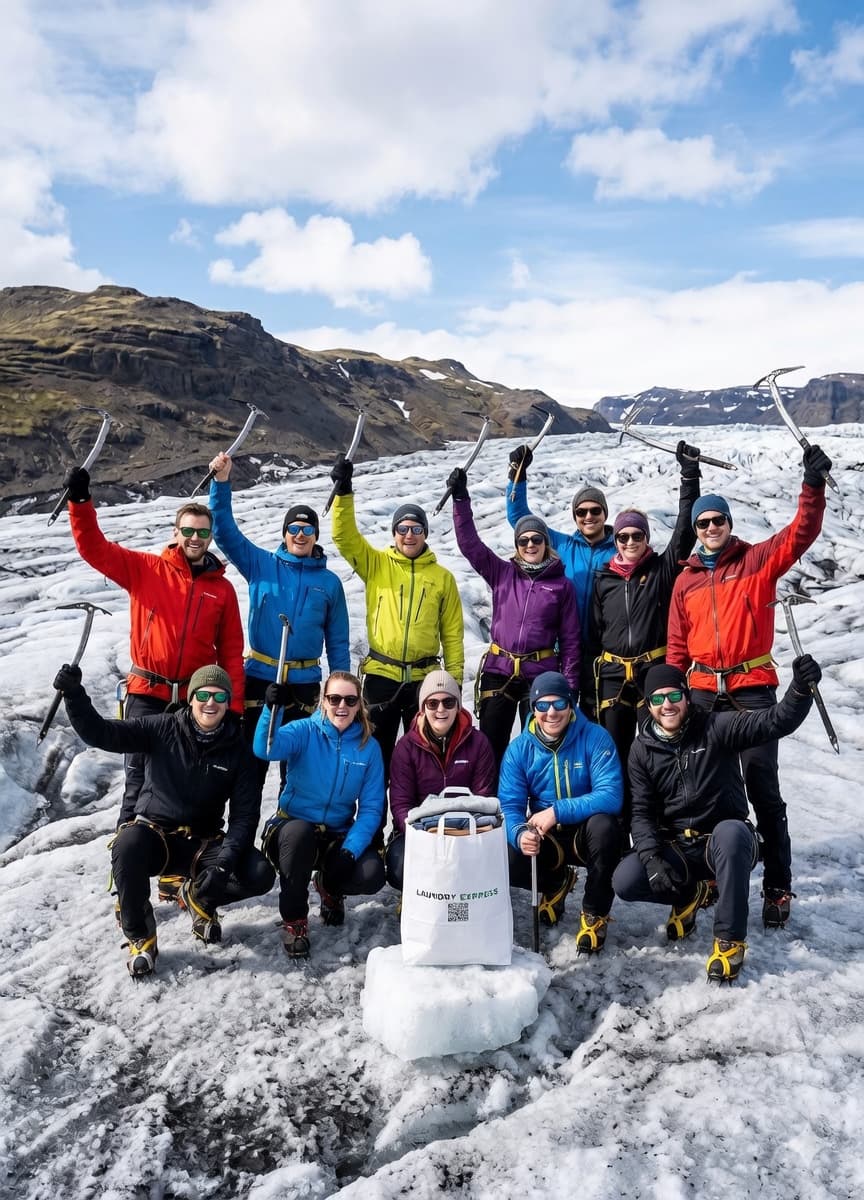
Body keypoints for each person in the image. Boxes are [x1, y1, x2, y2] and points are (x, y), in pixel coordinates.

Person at [666, 442, 833, 929]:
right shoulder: (685, 581)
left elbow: (800, 533)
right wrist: (671, 695)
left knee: (762, 786)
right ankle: (713, 873)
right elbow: (677, 646)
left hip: (751, 687)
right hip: (700, 693)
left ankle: (778, 885)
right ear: (695, 531)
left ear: (729, 524)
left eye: (718, 520)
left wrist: (812, 485)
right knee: (708, 790)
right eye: (703, 523)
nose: (711, 528)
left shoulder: (756, 561)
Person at [51, 662, 275, 977]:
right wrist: (74, 695)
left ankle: (198, 898)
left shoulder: (239, 749)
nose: (211, 702)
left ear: (228, 701)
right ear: (191, 698)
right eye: (203, 694)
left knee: (260, 873)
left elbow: (244, 816)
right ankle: (142, 939)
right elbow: (102, 733)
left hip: (203, 844)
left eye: (219, 696)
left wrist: (223, 865)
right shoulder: (161, 727)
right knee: (127, 845)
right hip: (156, 837)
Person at [612, 657, 820, 982]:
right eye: (657, 699)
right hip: (680, 848)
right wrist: (652, 858)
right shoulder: (642, 750)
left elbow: (772, 722)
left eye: (673, 696)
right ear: (648, 704)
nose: (666, 705)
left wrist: (799, 691)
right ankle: (690, 895)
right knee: (626, 879)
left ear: (686, 695)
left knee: (732, 835)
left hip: (724, 843)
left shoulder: (715, 726)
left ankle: (729, 940)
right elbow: (641, 812)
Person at [63, 466, 245, 830]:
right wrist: (80, 501)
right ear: (176, 533)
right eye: (188, 531)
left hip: (195, 700)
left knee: (190, 778)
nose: (195, 538)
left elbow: (230, 652)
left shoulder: (222, 590)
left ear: (210, 537)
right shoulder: (145, 569)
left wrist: (234, 707)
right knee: (136, 778)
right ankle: (126, 859)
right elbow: (94, 548)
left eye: (203, 532)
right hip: (148, 692)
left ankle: (177, 863)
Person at [207, 452, 350, 784]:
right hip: (259, 679)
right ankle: (241, 837)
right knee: (249, 770)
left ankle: (284, 834)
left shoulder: (329, 584)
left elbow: (338, 643)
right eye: (294, 528)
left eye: (307, 529)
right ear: (285, 533)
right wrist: (221, 482)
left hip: (304, 687)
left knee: (298, 772)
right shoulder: (261, 564)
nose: (300, 535)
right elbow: (225, 531)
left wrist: (339, 692)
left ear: (316, 535)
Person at [329, 454, 464, 777]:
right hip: (381, 676)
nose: (409, 534)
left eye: (416, 528)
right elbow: (344, 538)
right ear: (394, 533)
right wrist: (344, 492)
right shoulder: (376, 564)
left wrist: (453, 682)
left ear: (425, 533)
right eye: (402, 528)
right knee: (376, 759)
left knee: (425, 761)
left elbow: (452, 633)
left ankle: (414, 827)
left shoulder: (442, 578)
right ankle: (374, 827)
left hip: (424, 679)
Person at [589, 441, 701, 823]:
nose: (631, 542)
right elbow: (593, 631)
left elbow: (685, 531)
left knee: (655, 752)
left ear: (646, 538)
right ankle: (618, 834)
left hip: (651, 674)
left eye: (637, 536)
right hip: (613, 676)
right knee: (615, 756)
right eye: (623, 537)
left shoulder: (661, 569)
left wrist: (689, 476)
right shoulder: (602, 578)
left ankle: (657, 828)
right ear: (615, 540)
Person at [448, 466, 581, 772]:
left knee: (538, 748)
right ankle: (491, 811)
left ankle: (536, 810)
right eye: (524, 541)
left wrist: (569, 687)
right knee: (491, 746)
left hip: (541, 672)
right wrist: (460, 499)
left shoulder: (562, 586)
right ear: (517, 546)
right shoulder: (502, 573)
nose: (531, 545)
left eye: (536, 539)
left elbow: (571, 641)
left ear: (546, 543)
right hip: (499, 670)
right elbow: (470, 545)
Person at [255, 670, 386, 959]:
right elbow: (266, 748)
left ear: (359, 705)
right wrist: (271, 710)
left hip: (335, 834)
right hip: (292, 829)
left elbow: (372, 807)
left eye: (350, 700)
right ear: (323, 701)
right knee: (299, 834)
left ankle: (329, 886)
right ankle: (295, 921)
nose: (342, 706)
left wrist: (350, 851)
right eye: (334, 698)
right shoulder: (304, 731)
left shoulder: (369, 747)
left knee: (372, 873)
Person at [498, 671, 623, 953]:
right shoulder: (519, 749)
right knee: (508, 855)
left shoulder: (595, 737)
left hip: (585, 830)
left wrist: (558, 811)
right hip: (547, 835)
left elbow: (611, 795)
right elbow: (510, 805)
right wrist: (519, 835)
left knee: (607, 829)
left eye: (559, 704)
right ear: (533, 709)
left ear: (571, 705)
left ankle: (594, 912)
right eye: (542, 705)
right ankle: (556, 882)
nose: (551, 712)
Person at [506, 445, 615, 716]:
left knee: (596, 722)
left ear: (605, 514)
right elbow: (520, 517)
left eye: (595, 510)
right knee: (557, 720)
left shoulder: (620, 549)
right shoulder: (562, 545)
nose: (588, 516)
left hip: (603, 652)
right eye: (581, 512)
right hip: (562, 650)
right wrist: (517, 476)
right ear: (575, 516)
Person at [385, 669, 497, 893]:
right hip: (421, 833)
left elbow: (483, 799)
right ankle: (420, 896)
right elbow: (401, 805)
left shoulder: (478, 743)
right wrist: (428, 835)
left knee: (484, 863)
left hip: (468, 832)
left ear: (458, 705)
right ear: (422, 708)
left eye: (448, 702)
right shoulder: (406, 747)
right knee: (399, 867)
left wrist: (459, 835)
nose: (440, 710)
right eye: (432, 703)